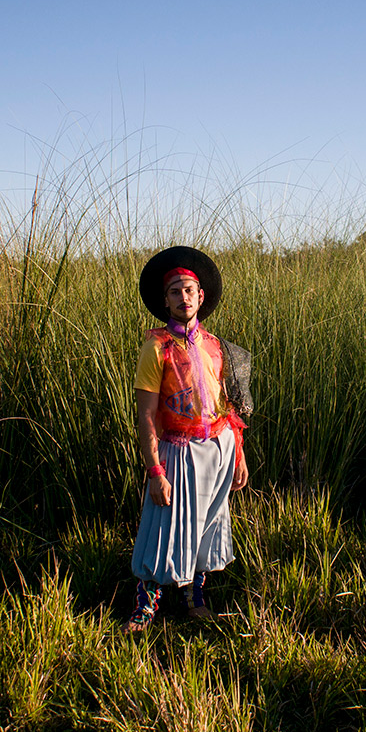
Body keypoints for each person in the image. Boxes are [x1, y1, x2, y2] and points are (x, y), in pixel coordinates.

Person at [127, 245, 248, 630]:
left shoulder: (215, 346)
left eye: (190, 290)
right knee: (163, 526)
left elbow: (228, 406)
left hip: (218, 446)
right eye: (175, 291)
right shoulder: (155, 348)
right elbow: (146, 414)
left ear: (201, 296)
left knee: (207, 523)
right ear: (165, 300)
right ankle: (146, 605)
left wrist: (239, 455)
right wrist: (154, 471)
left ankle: (194, 597)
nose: (184, 298)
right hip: (177, 450)